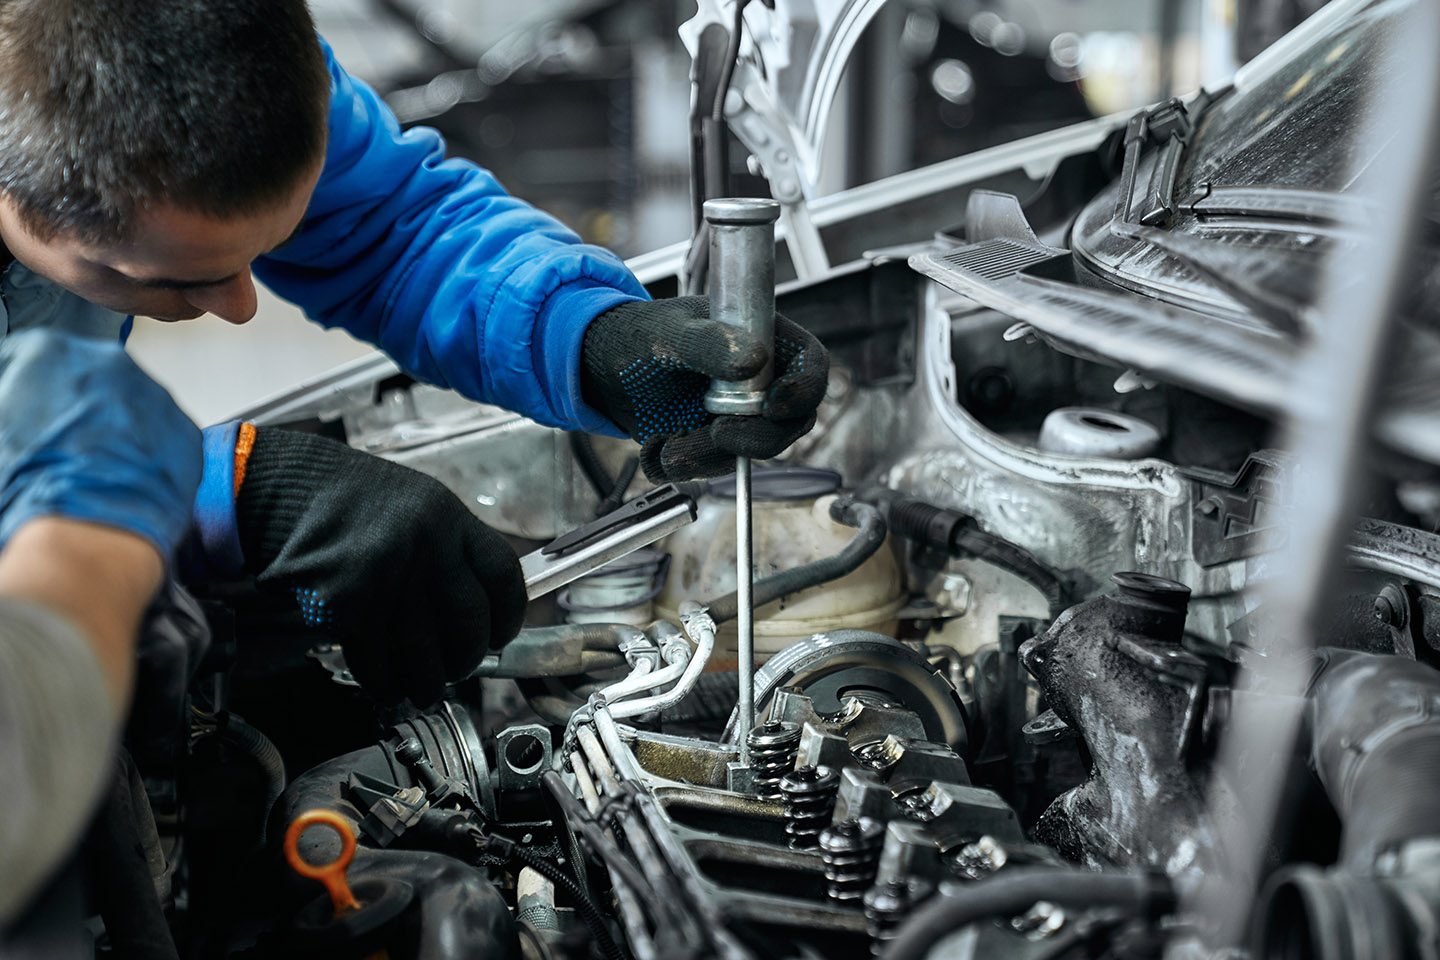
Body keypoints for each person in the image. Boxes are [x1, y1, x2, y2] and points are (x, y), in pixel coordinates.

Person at [0, 0, 829, 935]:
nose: (236, 305)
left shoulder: (207, 48)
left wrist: (595, 340)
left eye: (256, 255)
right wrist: (232, 489)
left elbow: (391, 225)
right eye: (171, 280)